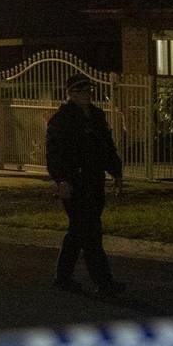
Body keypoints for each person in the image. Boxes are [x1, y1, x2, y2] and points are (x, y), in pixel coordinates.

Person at [45, 73, 125, 296]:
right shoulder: (62, 120)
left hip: (94, 180)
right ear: (70, 94)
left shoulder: (97, 117)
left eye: (88, 90)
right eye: (80, 91)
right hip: (74, 183)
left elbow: (107, 148)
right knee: (90, 232)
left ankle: (63, 278)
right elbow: (55, 155)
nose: (86, 95)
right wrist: (61, 180)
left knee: (78, 232)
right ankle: (104, 282)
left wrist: (116, 172)